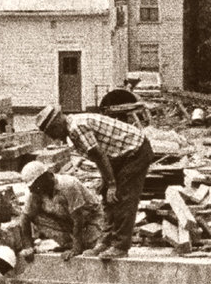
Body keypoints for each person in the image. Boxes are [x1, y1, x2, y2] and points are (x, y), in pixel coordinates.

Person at [34, 102, 156, 259]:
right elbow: (100, 156)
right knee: (106, 195)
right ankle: (106, 241)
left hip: (136, 151)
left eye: (53, 132)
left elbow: (98, 155)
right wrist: (106, 182)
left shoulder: (77, 127)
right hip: (119, 156)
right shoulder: (73, 129)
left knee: (124, 197)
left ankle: (120, 246)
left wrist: (112, 183)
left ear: (57, 124)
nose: (55, 138)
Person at [10, 166, 100, 258]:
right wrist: (28, 246)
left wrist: (77, 248)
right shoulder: (37, 191)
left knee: (93, 245)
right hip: (69, 221)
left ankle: (83, 242)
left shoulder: (68, 184)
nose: (32, 189)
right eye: (31, 186)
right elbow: (25, 217)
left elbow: (78, 218)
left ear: (46, 177)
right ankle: (68, 242)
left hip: (91, 219)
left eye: (35, 185)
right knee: (35, 216)